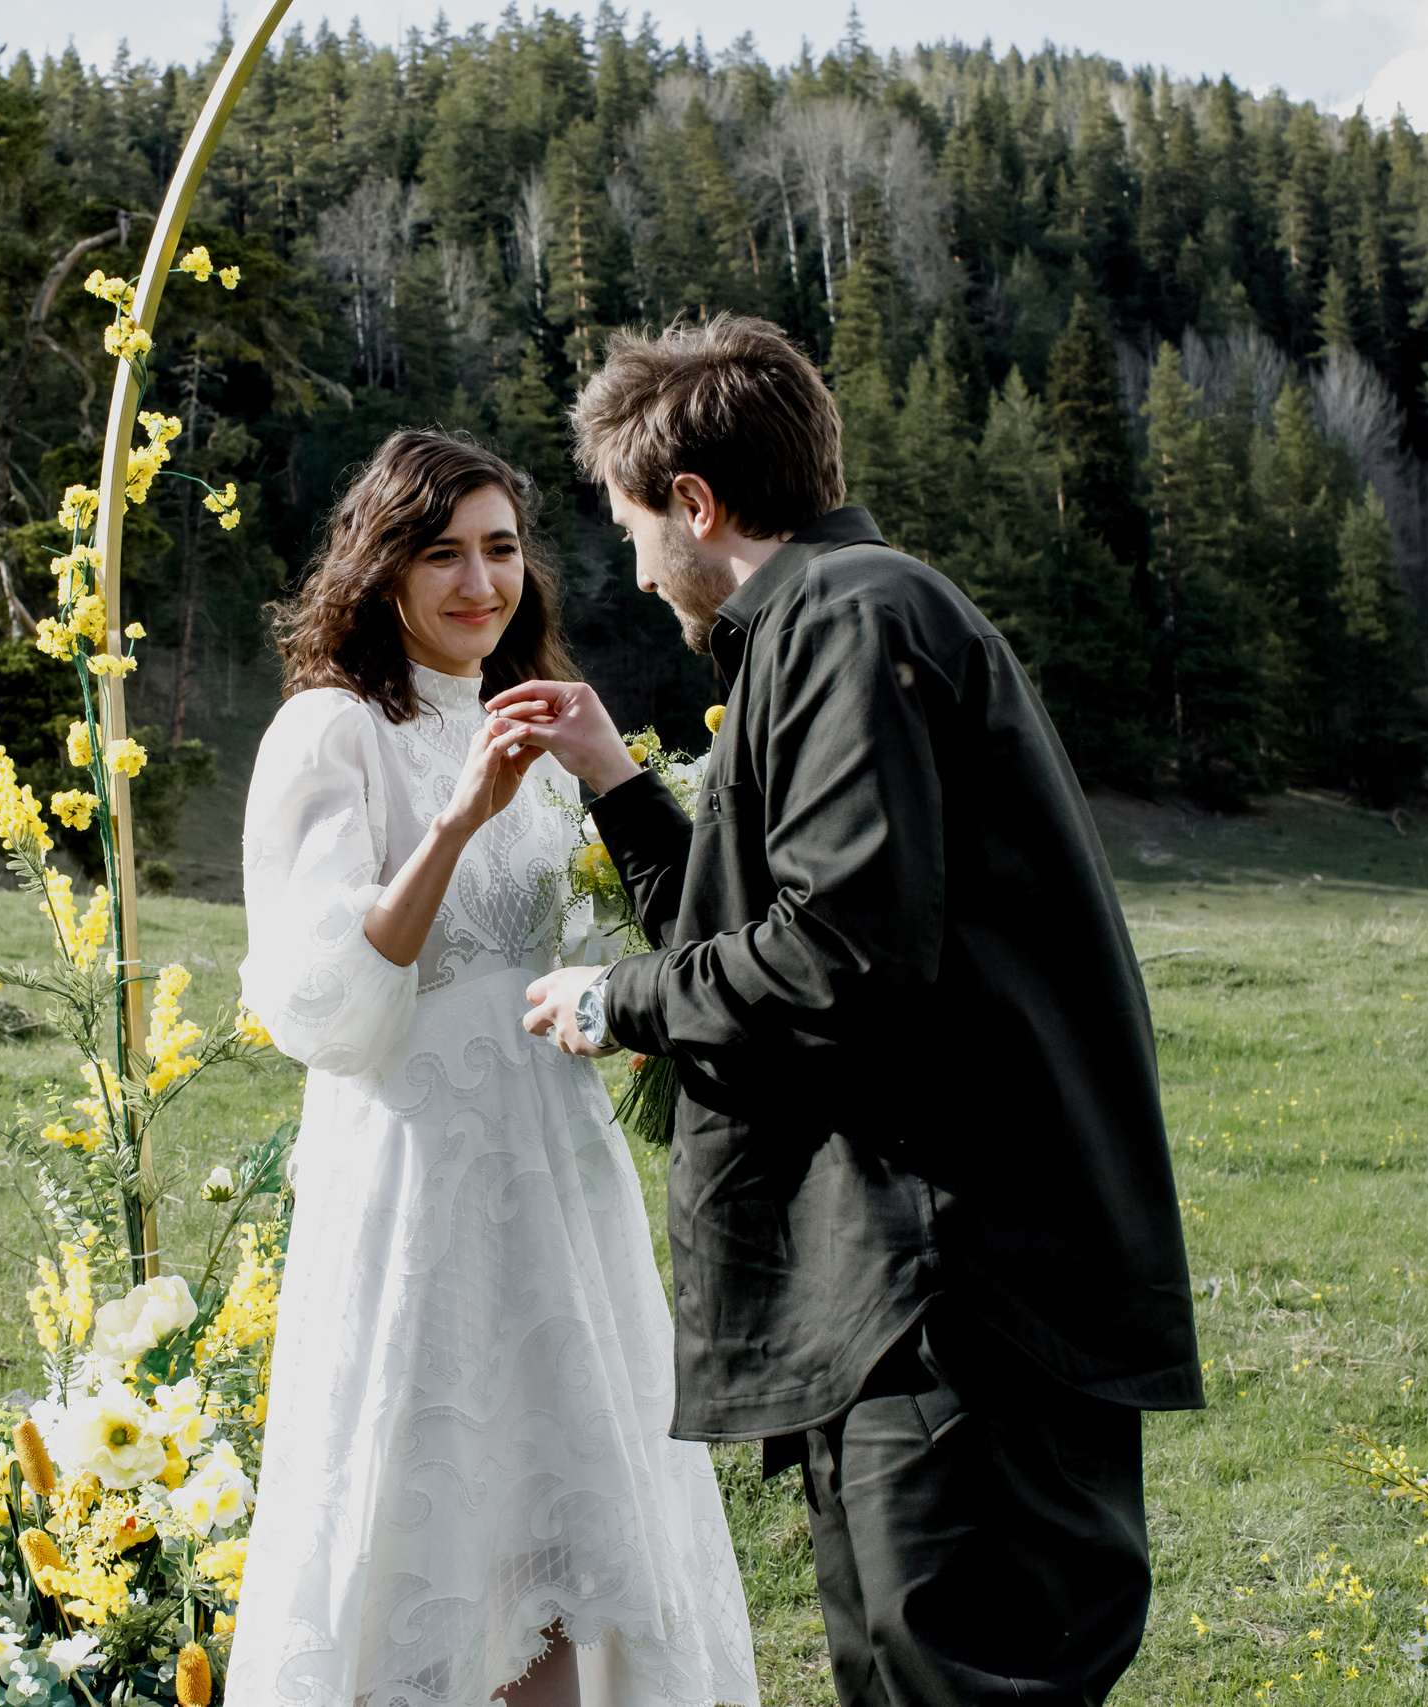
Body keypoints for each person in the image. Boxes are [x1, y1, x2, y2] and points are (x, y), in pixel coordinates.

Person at [494, 317, 1204, 1707]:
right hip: (906, 1294)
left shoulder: (850, 617)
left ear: (696, 504)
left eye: (636, 527)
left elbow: (840, 955)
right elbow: (762, 924)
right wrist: (617, 786)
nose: (638, 571)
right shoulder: (832, 622)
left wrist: (613, 1000)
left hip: (955, 1289)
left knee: (958, 1674)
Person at [231, 428, 760, 1707]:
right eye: (443, 555)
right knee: (432, 1515)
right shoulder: (331, 730)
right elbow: (324, 998)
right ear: (381, 570)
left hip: (554, 1174)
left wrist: (603, 775)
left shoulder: (543, 722)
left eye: (502, 550)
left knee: (567, 1518)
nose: (480, 584)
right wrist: (458, 810)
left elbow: (610, 943)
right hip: (414, 1177)